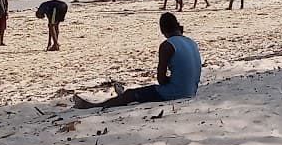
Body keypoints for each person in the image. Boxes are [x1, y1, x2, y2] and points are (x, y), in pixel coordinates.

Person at [72, 13, 200, 109]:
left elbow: (161, 79)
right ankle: (123, 96)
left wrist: (170, 81)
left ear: (162, 30)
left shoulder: (168, 45)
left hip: (176, 93)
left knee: (131, 94)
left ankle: (92, 106)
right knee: (138, 93)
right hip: (191, 91)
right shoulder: (191, 42)